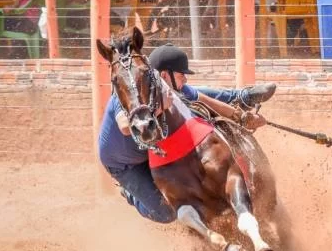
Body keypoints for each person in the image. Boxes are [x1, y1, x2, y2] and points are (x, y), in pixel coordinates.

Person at [98, 43, 276, 223]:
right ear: (164, 76)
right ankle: (131, 194)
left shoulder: (169, 87)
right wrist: (160, 109)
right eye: (181, 74)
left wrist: (241, 117)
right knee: (167, 212)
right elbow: (125, 127)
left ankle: (241, 96)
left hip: (153, 148)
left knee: (186, 95)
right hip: (127, 164)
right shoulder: (128, 91)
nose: (185, 79)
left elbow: (203, 98)